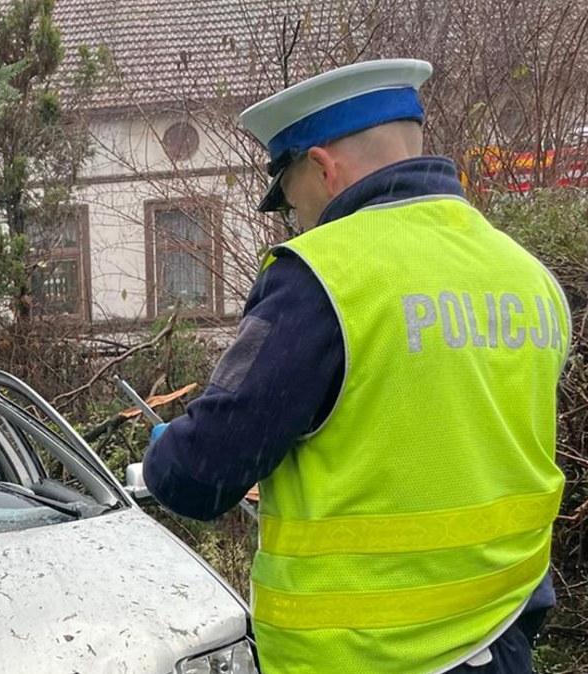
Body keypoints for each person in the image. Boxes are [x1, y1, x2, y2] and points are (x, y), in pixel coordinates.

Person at [142, 59, 569, 674]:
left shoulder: (322, 276)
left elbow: (202, 474)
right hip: (504, 634)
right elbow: (445, 435)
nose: (297, 218)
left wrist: (167, 450)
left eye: (290, 198)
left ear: (321, 166)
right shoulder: (526, 275)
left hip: (370, 655)